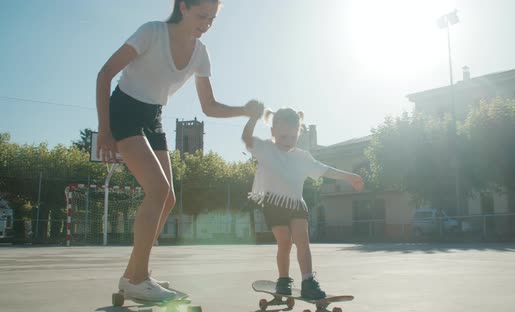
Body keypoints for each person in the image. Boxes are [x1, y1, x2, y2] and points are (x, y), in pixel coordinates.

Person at [96, 0, 263, 301]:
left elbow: (209, 107)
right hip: (124, 110)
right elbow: (105, 73)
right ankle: (139, 278)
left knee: (168, 198)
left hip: (153, 117)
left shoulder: (201, 53)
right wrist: (105, 130)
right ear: (183, 7)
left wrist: (244, 111)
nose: (206, 24)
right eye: (202, 16)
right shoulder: (152, 32)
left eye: (212, 19)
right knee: (158, 192)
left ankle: (131, 275)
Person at [242, 107, 364, 299]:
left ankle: (308, 281)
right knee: (284, 244)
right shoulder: (266, 149)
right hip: (274, 206)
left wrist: (349, 177)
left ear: (298, 133)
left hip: (297, 205)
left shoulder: (302, 157)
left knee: (302, 242)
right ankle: (283, 281)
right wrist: (253, 119)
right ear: (273, 132)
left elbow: (325, 170)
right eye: (283, 137)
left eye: (292, 136)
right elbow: (247, 138)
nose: (287, 141)